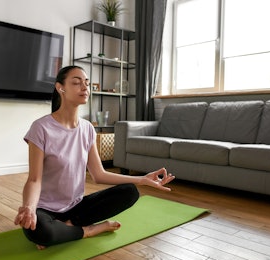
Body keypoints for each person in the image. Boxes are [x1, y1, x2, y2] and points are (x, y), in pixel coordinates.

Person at [14, 65, 175, 249]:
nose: (84, 87)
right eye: (76, 83)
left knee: (130, 192)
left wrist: (142, 179)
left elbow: (99, 174)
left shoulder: (87, 128)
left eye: (87, 83)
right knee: (37, 230)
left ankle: (69, 229)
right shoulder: (41, 128)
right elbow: (34, 180)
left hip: (76, 208)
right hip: (46, 209)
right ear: (61, 88)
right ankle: (89, 230)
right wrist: (29, 207)